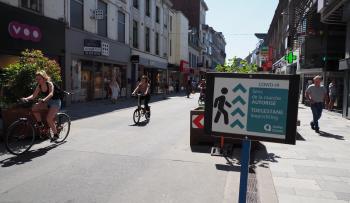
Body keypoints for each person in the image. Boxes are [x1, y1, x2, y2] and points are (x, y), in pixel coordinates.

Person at [21, 70, 61, 141]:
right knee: (34, 108)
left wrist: (43, 100)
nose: (37, 80)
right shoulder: (39, 86)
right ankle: (40, 125)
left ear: (44, 78)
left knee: (49, 119)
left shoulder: (49, 83)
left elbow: (51, 94)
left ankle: (55, 134)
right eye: (36, 79)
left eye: (39, 79)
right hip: (47, 102)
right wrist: (26, 98)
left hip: (55, 102)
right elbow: (33, 95)